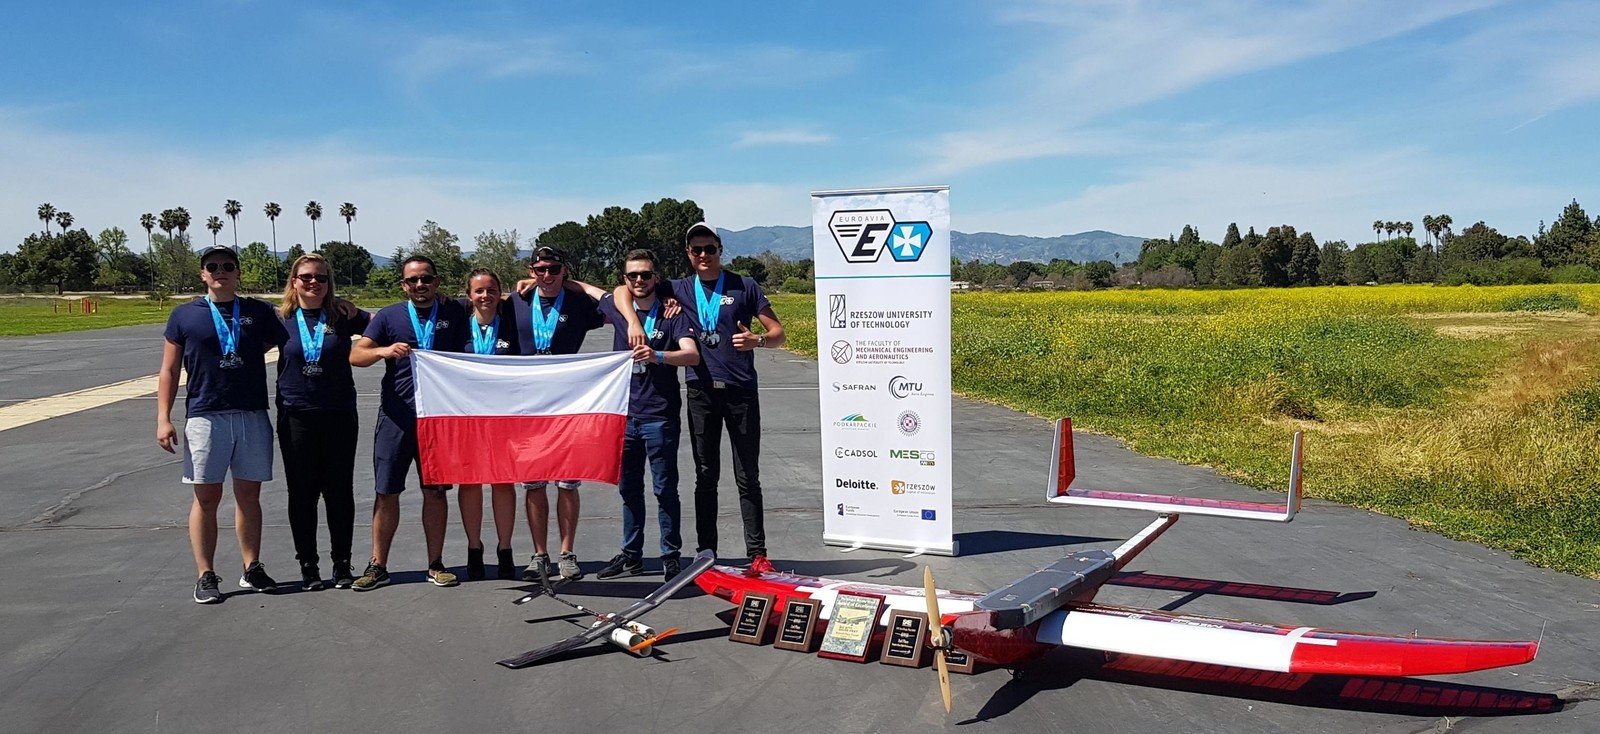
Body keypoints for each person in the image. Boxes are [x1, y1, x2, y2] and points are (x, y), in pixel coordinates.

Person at [617, 223, 786, 572]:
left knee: (747, 476)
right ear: (688, 254)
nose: (704, 255)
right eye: (697, 250)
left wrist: (757, 341)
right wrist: (633, 321)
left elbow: (778, 334)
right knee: (706, 476)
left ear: (720, 250)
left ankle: (757, 553)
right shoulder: (678, 288)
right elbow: (623, 289)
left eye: (710, 248)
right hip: (701, 392)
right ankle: (706, 551)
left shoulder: (744, 285)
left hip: (741, 392)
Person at [156, 245, 290, 604]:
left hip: (251, 413)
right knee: (206, 498)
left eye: (228, 266)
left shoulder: (258, 311)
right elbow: (169, 369)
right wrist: (163, 418)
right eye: (213, 266)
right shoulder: (184, 315)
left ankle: (252, 567)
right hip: (205, 415)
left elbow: (294, 321)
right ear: (203, 274)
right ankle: (206, 574)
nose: (220, 272)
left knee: (249, 495)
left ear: (238, 273)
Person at [349, 255, 469, 590]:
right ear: (403, 285)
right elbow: (356, 355)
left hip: (438, 420)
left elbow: (492, 297)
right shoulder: (389, 316)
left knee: (436, 493)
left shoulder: (454, 311)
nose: (420, 285)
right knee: (386, 491)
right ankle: (378, 565)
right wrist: (383, 351)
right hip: (396, 417)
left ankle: (436, 563)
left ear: (437, 282)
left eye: (426, 278)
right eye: (413, 280)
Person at [582, 250, 699, 582]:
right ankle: (631, 553)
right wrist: (532, 281)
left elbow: (691, 355)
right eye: (632, 275)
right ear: (625, 279)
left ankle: (670, 555)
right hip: (623, 416)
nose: (639, 280)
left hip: (659, 416)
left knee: (665, 490)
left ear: (655, 278)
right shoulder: (620, 309)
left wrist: (657, 355)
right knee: (628, 489)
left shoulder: (671, 313)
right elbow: (584, 287)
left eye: (645, 275)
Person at [275, 253, 370, 591]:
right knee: (302, 492)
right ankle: (308, 565)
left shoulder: (342, 316)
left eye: (321, 277)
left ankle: (342, 563)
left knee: (339, 491)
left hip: (338, 414)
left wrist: (355, 310)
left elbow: (387, 324)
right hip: (296, 415)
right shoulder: (280, 318)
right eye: (306, 277)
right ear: (294, 281)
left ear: (330, 283)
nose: (313, 282)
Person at [510, 247, 605, 582]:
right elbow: (477, 306)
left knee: (567, 484)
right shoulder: (516, 301)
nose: (547, 275)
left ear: (565, 270)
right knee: (534, 484)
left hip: (567, 406)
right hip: (528, 407)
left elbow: (618, 305)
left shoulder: (578, 303)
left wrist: (670, 302)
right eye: (540, 269)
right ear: (531, 270)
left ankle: (567, 553)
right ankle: (539, 554)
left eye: (553, 269)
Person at [456, 268, 521, 580]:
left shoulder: (513, 325)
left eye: (491, 290)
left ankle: (505, 548)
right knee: (469, 482)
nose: (485, 296)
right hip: (466, 416)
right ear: (469, 296)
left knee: (503, 482)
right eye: (479, 291)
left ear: (500, 293)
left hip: (503, 416)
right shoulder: (458, 327)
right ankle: (474, 547)